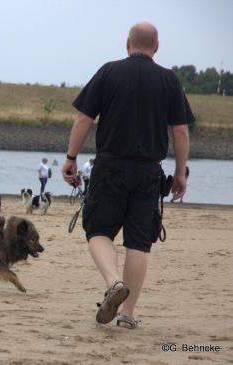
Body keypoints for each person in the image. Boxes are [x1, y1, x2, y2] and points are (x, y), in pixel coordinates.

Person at [61, 21, 193, 329]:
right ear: (156, 47)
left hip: (110, 167)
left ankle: (113, 281)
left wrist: (70, 158)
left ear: (127, 43)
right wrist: (180, 173)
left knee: (98, 230)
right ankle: (126, 315)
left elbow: (84, 119)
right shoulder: (169, 80)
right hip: (150, 172)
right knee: (139, 242)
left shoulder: (108, 72)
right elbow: (181, 131)